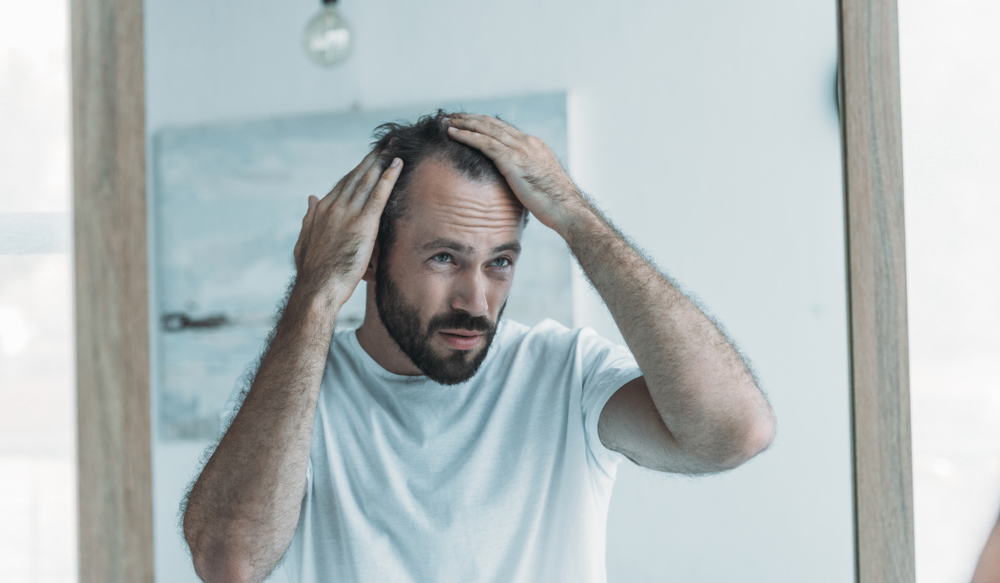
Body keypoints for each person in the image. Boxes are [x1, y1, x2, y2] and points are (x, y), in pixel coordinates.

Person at [181, 111, 777, 583]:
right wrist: (312, 295)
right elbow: (228, 562)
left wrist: (574, 215)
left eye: (500, 262)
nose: (477, 299)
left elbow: (733, 432)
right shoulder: (300, 385)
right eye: (444, 257)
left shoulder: (563, 372)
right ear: (368, 258)